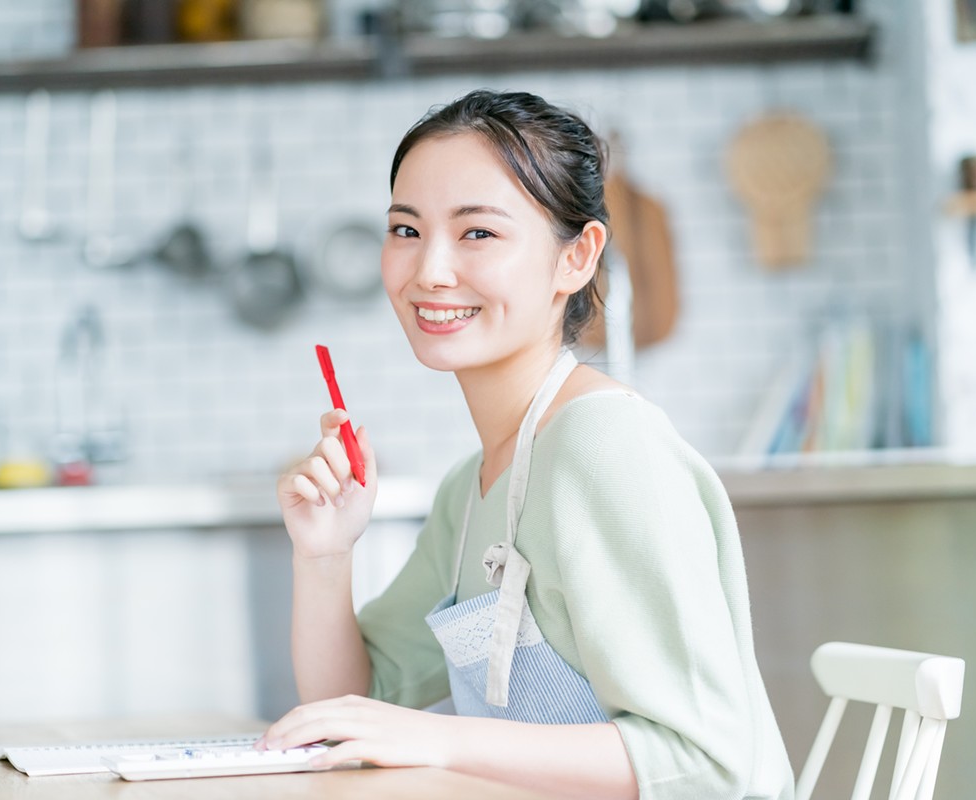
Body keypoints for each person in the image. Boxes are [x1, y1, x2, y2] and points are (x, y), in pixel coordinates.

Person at [259, 89, 794, 800]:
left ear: (577, 258)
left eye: (478, 233)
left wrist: (438, 739)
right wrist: (323, 555)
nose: (430, 271)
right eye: (406, 230)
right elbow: (355, 704)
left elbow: (707, 763)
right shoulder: (473, 488)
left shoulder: (606, 448)